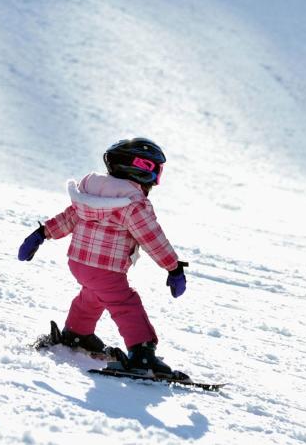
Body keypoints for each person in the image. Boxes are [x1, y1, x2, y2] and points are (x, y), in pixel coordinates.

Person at [17, 138, 188, 375]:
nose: (155, 181)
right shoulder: (133, 204)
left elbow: (68, 218)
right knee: (125, 303)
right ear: (139, 169)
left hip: (78, 263)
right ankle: (142, 354)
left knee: (93, 295)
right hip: (106, 269)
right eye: (155, 172)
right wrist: (173, 267)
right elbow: (152, 239)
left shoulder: (90, 193)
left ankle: (77, 333)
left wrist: (41, 233)